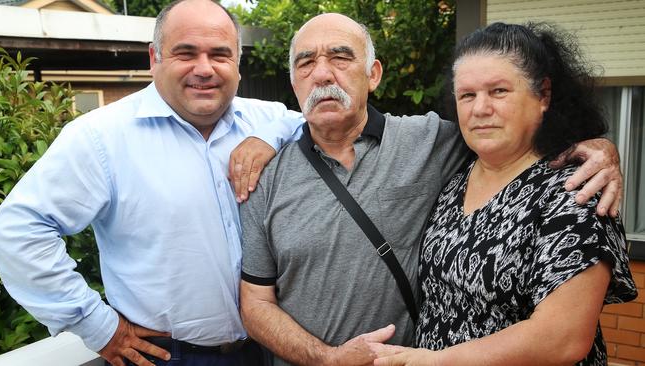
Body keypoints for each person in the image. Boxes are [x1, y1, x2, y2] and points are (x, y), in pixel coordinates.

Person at [239, 14, 625, 366]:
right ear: (293, 81)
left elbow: (519, 139)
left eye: (341, 58)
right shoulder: (265, 175)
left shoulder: (433, 143)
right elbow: (255, 303)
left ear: (373, 74)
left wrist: (599, 148)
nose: (322, 74)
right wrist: (327, 359)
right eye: (306, 62)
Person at [0, 0, 302, 365]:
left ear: (237, 63)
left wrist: (271, 135)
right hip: (167, 356)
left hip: (272, 347)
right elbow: (16, 231)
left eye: (220, 54)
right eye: (185, 53)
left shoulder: (266, 119)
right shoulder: (101, 138)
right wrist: (97, 326)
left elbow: (315, 121)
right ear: (154, 58)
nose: (204, 69)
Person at [370, 22, 637, 366]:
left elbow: (562, 339)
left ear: (543, 95)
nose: (480, 109)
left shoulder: (574, 191)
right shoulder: (455, 172)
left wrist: (432, 362)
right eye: (467, 95)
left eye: (498, 91)